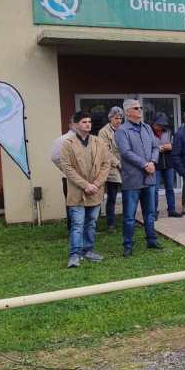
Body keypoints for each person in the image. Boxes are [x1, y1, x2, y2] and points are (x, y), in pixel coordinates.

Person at [59, 112, 111, 268]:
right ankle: (74, 255)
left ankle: (88, 250)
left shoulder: (98, 142)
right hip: (77, 191)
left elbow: (106, 164)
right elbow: (67, 167)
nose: (88, 124)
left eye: (89, 121)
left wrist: (96, 184)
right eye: (83, 122)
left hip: (95, 190)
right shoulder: (67, 143)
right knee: (77, 224)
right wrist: (85, 185)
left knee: (91, 224)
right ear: (75, 125)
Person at [114, 99, 162, 256]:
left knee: (150, 213)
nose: (140, 110)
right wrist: (144, 164)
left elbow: (156, 147)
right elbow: (126, 152)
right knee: (129, 216)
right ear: (128, 112)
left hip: (149, 177)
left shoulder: (147, 128)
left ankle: (152, 240)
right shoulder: (122, 130)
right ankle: (128, 245)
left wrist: (153, 162)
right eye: (136, 108)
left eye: (141, 107)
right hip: (133, 179)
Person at [97, 107, 124, 232]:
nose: (119, 120)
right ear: (110, 118)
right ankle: (111, 224)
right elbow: (105, 152)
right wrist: (118, 163)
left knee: (128, 196)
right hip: (112, 168)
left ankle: (127, 220)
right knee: (112, 197)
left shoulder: (124, 129)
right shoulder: (103, 132)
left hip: (127, 167)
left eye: (120, 118)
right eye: (116, 118)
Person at [151, 113, 178, 219]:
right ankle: (153, 212)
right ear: (154, 123)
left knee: (170, 188)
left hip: (168, 163)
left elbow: (173, 145)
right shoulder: (149, 132)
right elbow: (151, 147)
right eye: (159, 124)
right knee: (155, 189)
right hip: (156, 164)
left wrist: (162, 147)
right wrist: (161, 147)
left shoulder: (168, 131)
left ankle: (171, 210)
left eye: (163, 124)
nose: (161, 126)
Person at [50, 123, 76, 230]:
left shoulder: (87, 138)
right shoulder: (62, 139)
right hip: (69, 178)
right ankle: (72, 228)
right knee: (71, 203)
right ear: (71, 125)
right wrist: (67, 170)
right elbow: (55, 157)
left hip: (86, 178)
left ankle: (86, 228)